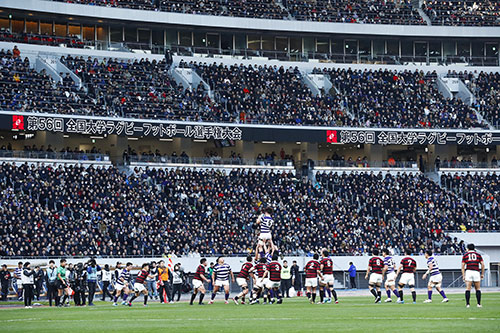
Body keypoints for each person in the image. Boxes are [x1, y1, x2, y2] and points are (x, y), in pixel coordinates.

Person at [461, 243, 485, 308]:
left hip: (468, 271)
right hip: (476, 272)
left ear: (468, 248)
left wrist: (463, 275)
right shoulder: (478, 255)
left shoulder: (465, 255)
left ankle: (468, 304)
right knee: (477, 289)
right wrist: (482, 274)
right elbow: (482, 264)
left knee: (468, 288)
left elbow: (463, 266)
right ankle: (479, 304)